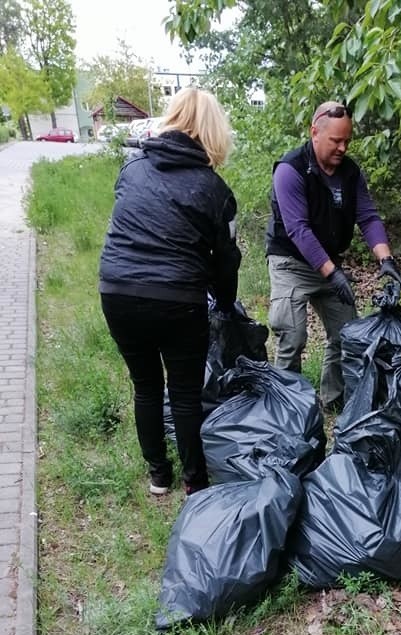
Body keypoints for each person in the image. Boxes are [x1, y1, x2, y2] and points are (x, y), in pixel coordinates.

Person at [99, 87, 241, 496]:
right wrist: (226, 305)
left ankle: (158, 475)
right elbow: (225, 262)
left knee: (144, 385)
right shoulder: (215, 190)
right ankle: (195, 483)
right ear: (214, 132)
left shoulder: (132, 168)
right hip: (177, 299)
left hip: (117, 291)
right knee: (183, 393)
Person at [265, 100, 401, 411]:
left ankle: (333, 399)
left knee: (347, 333)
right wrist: (333, 272)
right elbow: (299, 230)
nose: (343, 148)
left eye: (347, 141)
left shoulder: (350, 173)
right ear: (315, 132)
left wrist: (386, 259)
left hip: (327, 261)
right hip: (290, 263)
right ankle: (287, 409)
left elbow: (368, 217)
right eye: (336, 140)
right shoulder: (291, 171)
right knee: (292, 333)